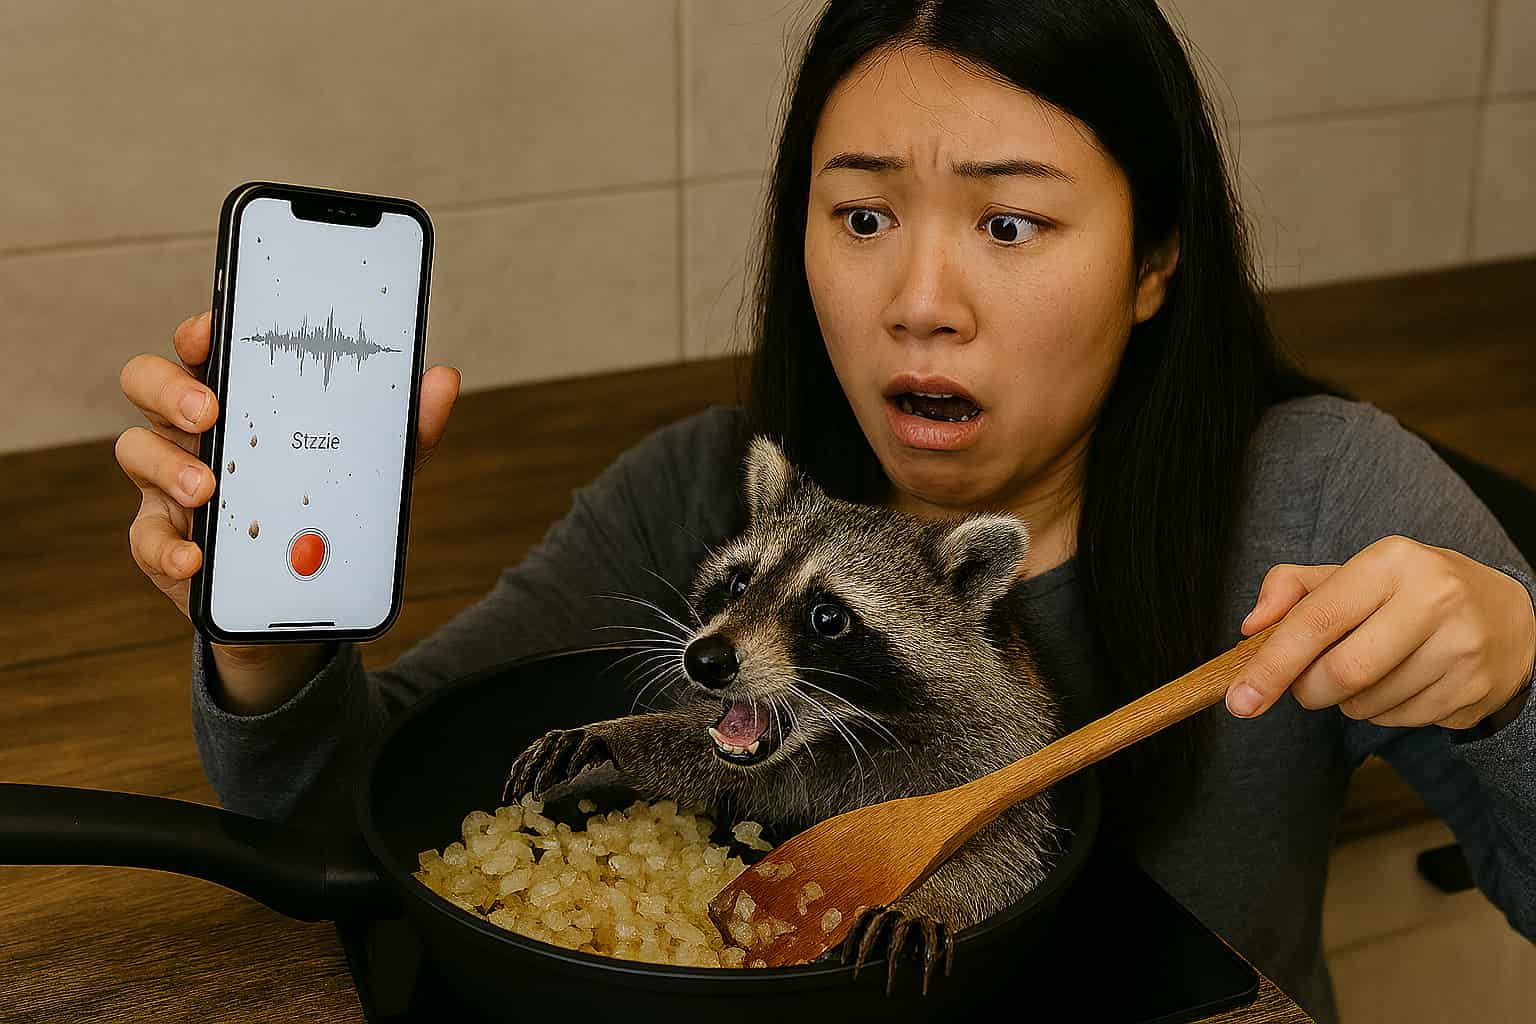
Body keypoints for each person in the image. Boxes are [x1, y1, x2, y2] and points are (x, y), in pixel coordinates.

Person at [115, 2, 1534, 1020]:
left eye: (1009, 223)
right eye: (861, 217)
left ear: (1155, 258)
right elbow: (349, 815)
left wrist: (1512, 682)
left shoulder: (1321, 494)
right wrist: (269, 629)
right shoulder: (708, 486)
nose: (921, 302)